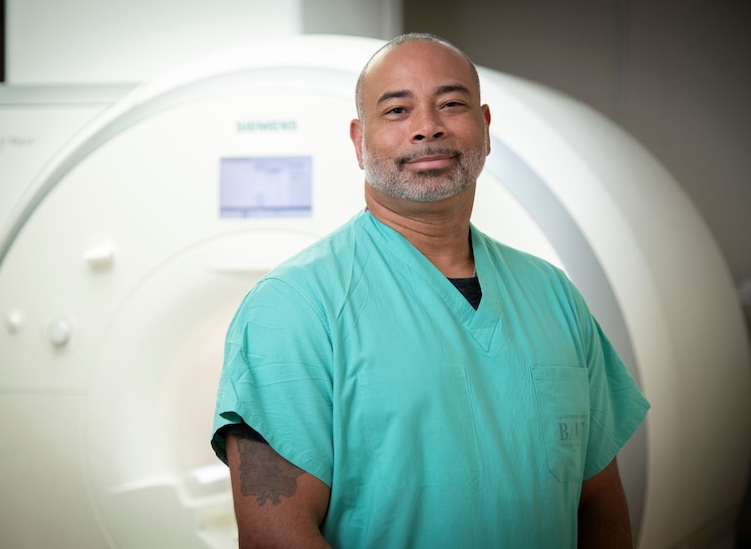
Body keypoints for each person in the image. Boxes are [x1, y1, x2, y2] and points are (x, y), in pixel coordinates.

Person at [211, 33, 649, 548]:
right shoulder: (291, 307)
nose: (428, 127)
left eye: (452, 104)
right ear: (359, 141)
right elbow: (273, 536)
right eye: (397, 110)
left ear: (485, 127)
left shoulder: (554, 296)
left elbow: (599, 500)